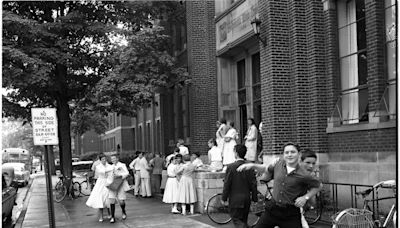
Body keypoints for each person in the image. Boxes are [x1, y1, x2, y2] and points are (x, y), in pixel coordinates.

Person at [237, 142, 322, 228]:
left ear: (299, 154)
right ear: (283, 155)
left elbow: (318, 186)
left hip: (290, 213)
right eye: (287, 152)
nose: (290, 155)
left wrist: (305, 197)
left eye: (293, 152)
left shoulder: (304, 174)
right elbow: (266, 168)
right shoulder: (278, 164)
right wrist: (252, 165)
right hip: (273, 210)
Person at [221, 144, 258, 228]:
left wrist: (224, 197)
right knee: (243, 220)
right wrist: (255, 198)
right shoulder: (250, 167)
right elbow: (253, 184)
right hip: (246, 198)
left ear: (236, 153)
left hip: (235, 199)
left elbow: (227, 183)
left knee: (236, 220)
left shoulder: (231, 167)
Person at [86, 154, 113, 222]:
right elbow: (102, 172)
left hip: (107, 182)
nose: (104, 160)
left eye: (105, 159)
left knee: (108, 198)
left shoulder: (108, 165)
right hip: (100, 183)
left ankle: (110, 214)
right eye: (103, 159)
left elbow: (111, 172)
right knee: (100, 198)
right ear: (100, 160)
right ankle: (101, 216)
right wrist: (109, 170)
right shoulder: (98, 166)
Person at [108, 154, 130, 223]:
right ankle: (112, 217)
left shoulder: (122, 165)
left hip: (120, 183)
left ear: (117, 159)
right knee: (112, 199)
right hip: (113, 184)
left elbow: (126, 173)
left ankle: (123, 211)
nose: (113, 160)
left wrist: (120, 175)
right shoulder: (110, 167)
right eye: (112, 159)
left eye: (114, 158)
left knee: (121, 201)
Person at [299, 149, 318, 228]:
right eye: (307, 163)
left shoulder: (310, 179)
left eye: (313, 163)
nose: (311, 166)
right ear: (300, 162)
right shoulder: (292, 174)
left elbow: (312, 203)